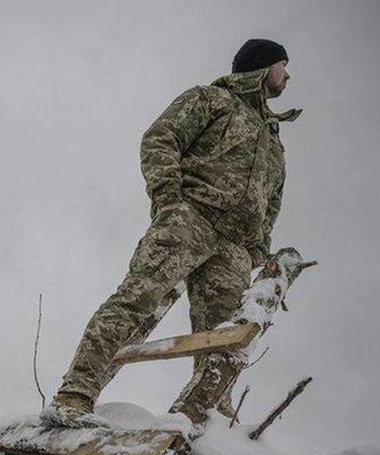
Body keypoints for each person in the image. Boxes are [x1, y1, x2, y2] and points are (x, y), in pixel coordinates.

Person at [46, 39, 301, 424]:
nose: (288, 75)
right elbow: (161, 137)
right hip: (190, 219)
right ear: (264, 67)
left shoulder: (275, 145)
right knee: (137, 301)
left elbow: (273, 203)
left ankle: (207, 418)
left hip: (235, 247)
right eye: (284, 65)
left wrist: (257, 249)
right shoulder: (212, 99)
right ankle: (75, 394)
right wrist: (169, 199)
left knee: (223, 337)